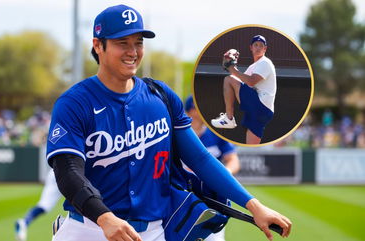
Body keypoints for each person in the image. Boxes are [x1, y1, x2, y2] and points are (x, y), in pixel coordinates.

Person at [46, 4, 291, 241]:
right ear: (98, 45)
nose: (133, 51)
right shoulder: (75, 103)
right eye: (123, 43)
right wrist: (104, 217)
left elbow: (201, 159)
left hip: (153, 232)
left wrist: (254, 205)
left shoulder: (160, 97)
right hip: (90, 230)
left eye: (138, 43)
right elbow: (68, 171)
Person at [185, 95, 240, 241]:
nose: (207, 111)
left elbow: (233, 160)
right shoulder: (179, 134)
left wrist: (222, 175)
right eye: (201, 108)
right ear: (191, 111)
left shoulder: (216, 133)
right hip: (184, 198)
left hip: (212, 199)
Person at [211, 35, 276, 144]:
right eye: (256, 45)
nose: (258, 47)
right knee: (252, 145)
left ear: (265, 49)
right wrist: (229, 64)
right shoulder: (253, 66)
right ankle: (229, 119)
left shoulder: (265, 62)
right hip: (261, 110)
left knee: (228, 80)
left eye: (261, 45)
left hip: (260, 105)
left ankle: (229, 118)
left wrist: (231, 67)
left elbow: (250, 81)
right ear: (251, 47)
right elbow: (240, 82)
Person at [15, 170, 63, 241]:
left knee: (44, 205)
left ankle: (25, 222)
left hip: (55, 171)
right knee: (78, 202)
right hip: (73, 171)